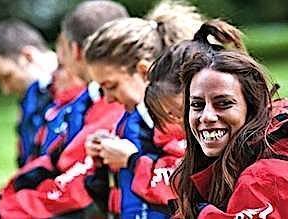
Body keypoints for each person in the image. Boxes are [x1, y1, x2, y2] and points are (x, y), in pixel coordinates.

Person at [171, 25, 288, 218]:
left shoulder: (265, 178)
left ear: (252, 108)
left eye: (224, 103)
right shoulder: (241, 157)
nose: (207, 116)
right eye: (197, 105)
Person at [0, 1, 129, 218]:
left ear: (74, 50)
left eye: (62, 48)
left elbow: (77, 187)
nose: (60, 61)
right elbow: (52, 165)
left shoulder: (110, 106)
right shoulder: (92, 100)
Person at [81, 0, 203, 217]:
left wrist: (132, 160)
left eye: (111, 86)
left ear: (144, 71)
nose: (107, 99)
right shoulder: (131, 119)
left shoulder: (174, 120)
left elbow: (192, 182)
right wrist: (100, 164)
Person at [0, 19, 57, 167]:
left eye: (7, 76)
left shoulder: (82, 91)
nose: (6, 90)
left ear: (28, 56)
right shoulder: (30, 99)